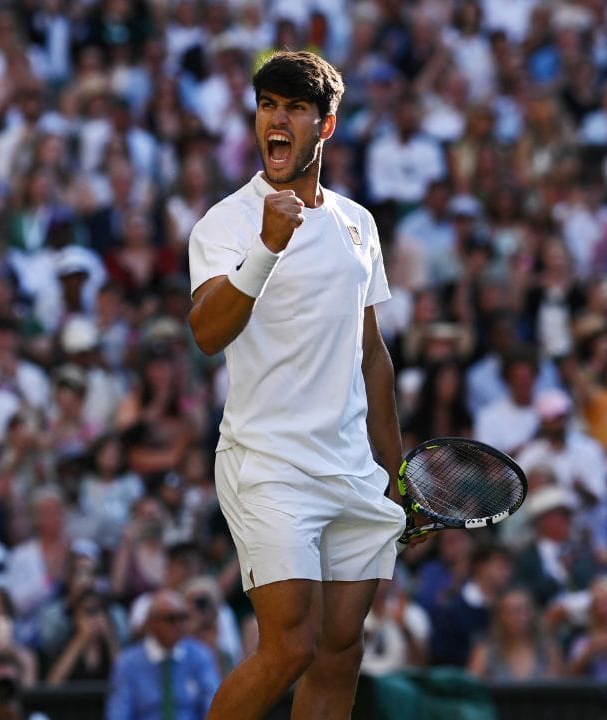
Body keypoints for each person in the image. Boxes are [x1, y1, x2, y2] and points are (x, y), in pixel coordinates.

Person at [186, 51, 414, 719]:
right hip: (267, 464)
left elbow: (372, 356)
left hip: (350, 468)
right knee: (289, 647)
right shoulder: (224, 225)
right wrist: (266, 247)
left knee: (340, 653)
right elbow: (205, 333)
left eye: (293, 108)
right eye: (266, 106)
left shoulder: (358, 224)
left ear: (326, 126)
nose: (276, 120)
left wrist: (398, 476)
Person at [105, 589, 220, 720]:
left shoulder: (200, 656)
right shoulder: (127, 664)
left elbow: (213, 706)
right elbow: (118, 714)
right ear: (151, 624)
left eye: (182, 617)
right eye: (171, 619)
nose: (178, 625)